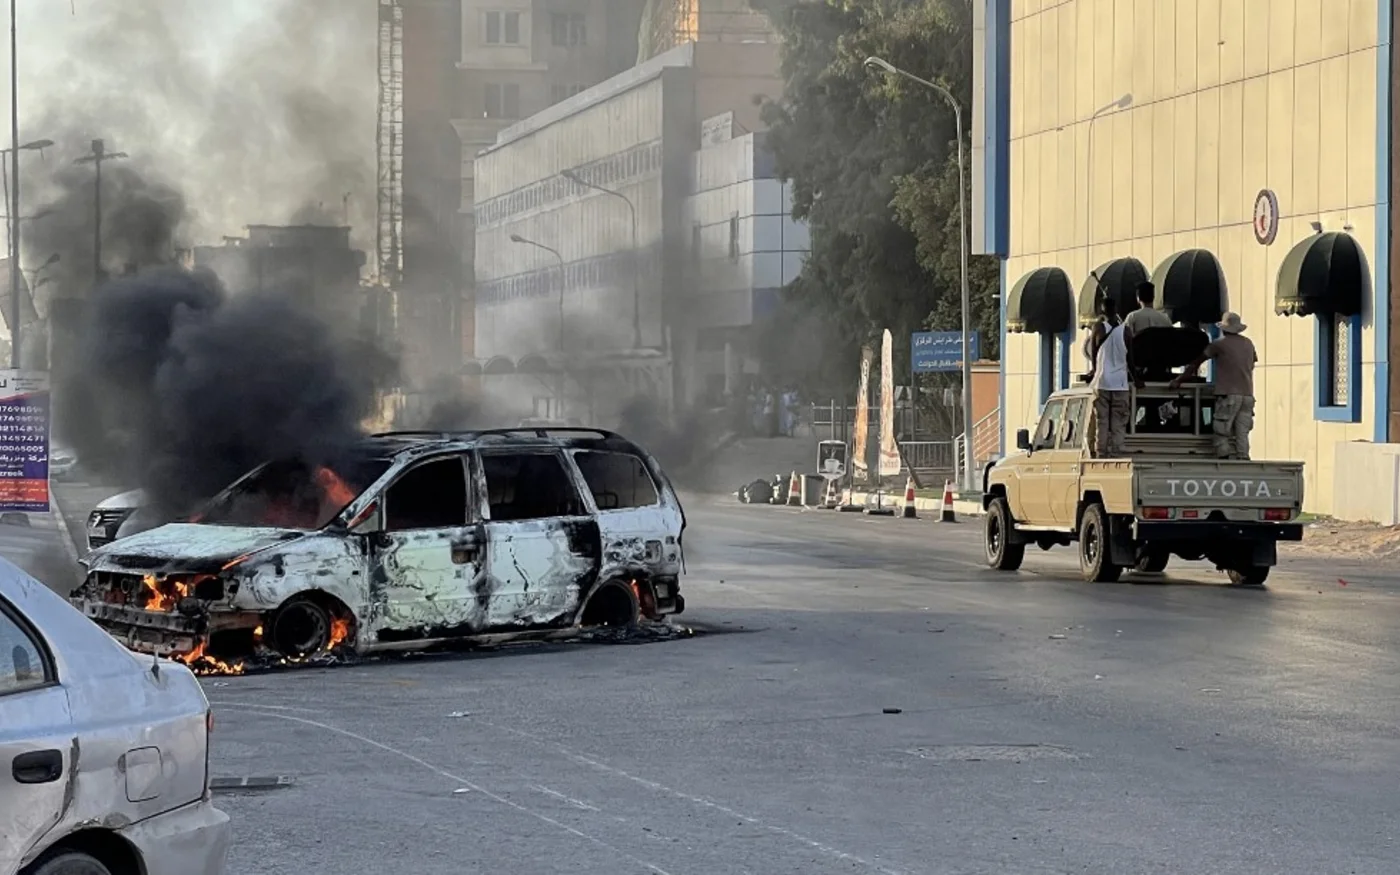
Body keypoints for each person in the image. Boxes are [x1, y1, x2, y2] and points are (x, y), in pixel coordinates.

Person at [1170, 311, 1256, 460]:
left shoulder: (1219, 344)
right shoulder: (1248, 343)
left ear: (1223, 328)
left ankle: (1223, 460)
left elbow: (1196, 363)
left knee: (1221, 431)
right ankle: (1243, 459)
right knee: (1242, 432)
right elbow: (1252, 363)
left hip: (1229, 394)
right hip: (1248, 395)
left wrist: (1179, 380)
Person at [1088, 297, 1141, 458]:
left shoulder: (1098, 328)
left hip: (1102, 381)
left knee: (1102, 420)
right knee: (1118, 422)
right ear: (1116, 309)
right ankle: (1117, 450)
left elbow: (1093, 353)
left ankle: (1101, 451)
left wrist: (1095, 371)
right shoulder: (1125, 330)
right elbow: (1130, 360)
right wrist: (1136, 378)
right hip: (1120, 383)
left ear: (1102, 311)